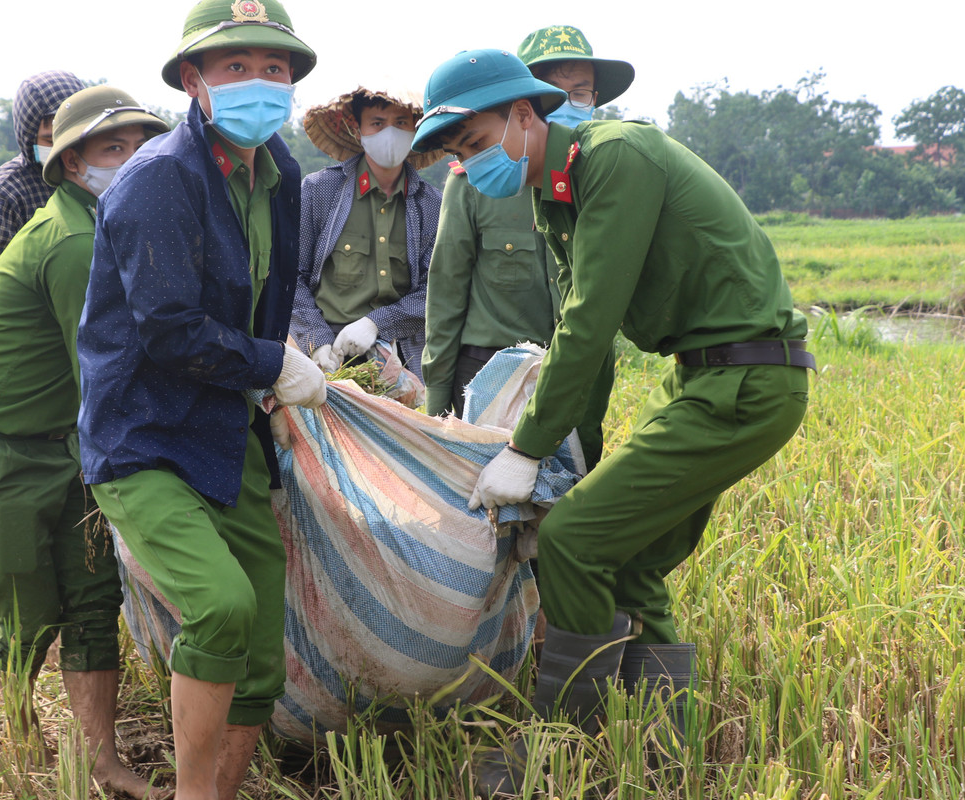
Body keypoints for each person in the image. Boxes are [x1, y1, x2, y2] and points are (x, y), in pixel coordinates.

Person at [411, 45, 813, 792]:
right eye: (457, 154)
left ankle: (562, 747)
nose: (469, 164)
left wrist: (527, 448)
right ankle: (660, 757)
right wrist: (565, 465)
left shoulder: (616, 156)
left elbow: (590, 324)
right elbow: (580, 343)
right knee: (626, 558)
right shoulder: (553, 191)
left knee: (570, 543)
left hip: (746, 383)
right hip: (707, 380)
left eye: (475, 141)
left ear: (526, 114)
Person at [73, 1, 325, 798]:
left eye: (274, 69)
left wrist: (269, 382)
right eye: (236, 68)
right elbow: (170, 329)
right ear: (195, 81)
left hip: (224, 427)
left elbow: (268, 298)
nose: (259, 83)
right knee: (218, 608)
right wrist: (273, 364)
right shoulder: (159, 181)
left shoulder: (279, 173)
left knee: (259, 627)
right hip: (144, 438)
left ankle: (222, 785)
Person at [0, 86, 169, 797]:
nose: (131, 161)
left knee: (94, 604)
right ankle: (18, 739)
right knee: (32, 612)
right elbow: (108, 376)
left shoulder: (113, 228)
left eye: (141, 146)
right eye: (111, 149)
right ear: (72, 166)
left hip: (70, 446)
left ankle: (102, 762)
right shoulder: (73, 241)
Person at [421, 25, 627, 475]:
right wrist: (436, 401)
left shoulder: (603, 178)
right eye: (553, 91)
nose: (567, 104)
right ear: (522, 106)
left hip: (572, 368)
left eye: (581, 93)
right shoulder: (476, 178)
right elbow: (447, 288)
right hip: (488, 372)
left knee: (568, 497)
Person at [291, 86, 443, 375]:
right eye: (377, 123)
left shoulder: (431, 205)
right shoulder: (320, 191)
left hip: (400, 352)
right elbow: (291, 277)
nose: (390, 133)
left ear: (415, 129)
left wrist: (375, 323)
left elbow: (436, 291)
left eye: (401, 123)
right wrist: (317, 341)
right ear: (356, 129)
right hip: (326, 352)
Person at [0, 70, 85, 320]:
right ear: (28, 137)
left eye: (72, 137)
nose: (64, 149)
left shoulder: (92, 178)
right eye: (51, 139)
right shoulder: (3, 196)